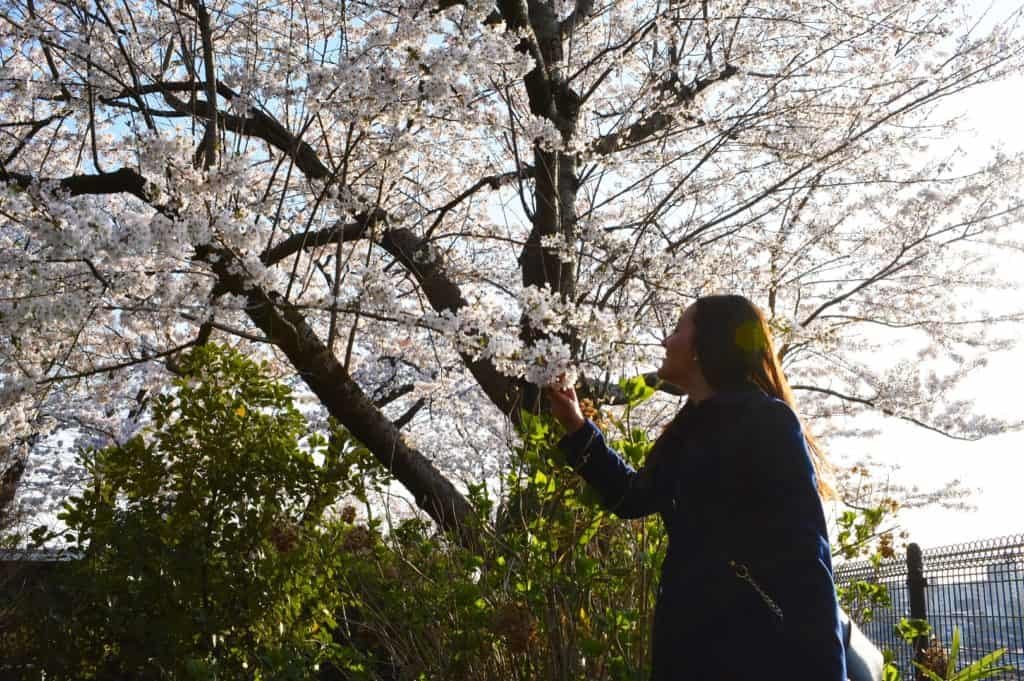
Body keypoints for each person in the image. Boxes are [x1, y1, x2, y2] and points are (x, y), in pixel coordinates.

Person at [547, 294, 846, 681]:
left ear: (703, 347)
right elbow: (634, 497)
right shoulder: (687, 427)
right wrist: (577, 428)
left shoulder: (766, 421)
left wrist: (826, 667)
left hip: (750, 642)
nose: (666, 341)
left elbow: (807, 550)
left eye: (676, 330)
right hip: (687, 633)